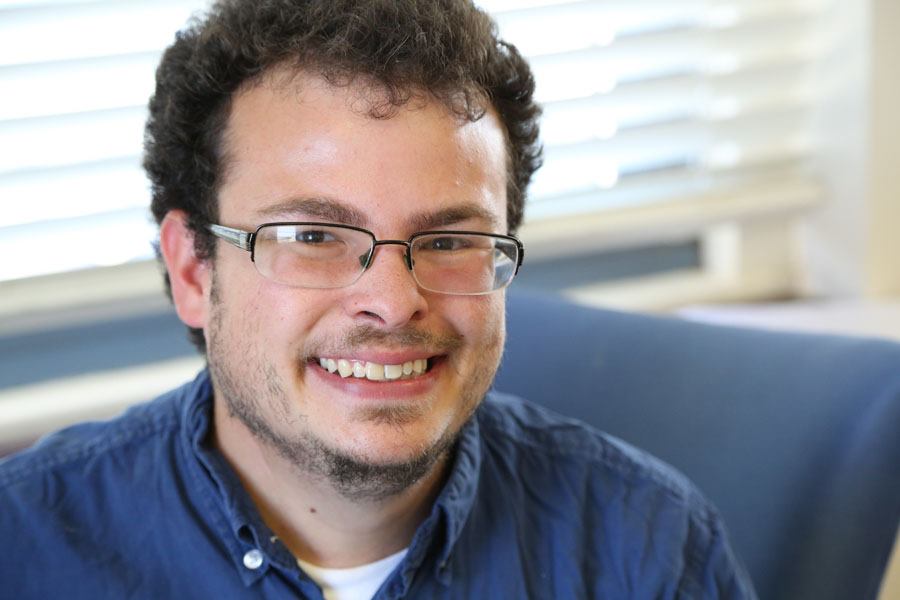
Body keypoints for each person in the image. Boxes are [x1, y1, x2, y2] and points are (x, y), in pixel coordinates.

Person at [0, 1, 756, 598]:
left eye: (451, 241)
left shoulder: (648, 550)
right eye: (312, 235)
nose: (393, 303)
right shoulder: (22, 547)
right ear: (195, 272)